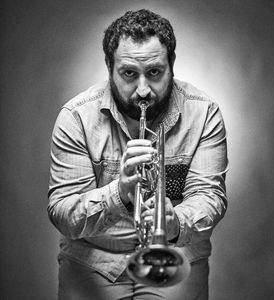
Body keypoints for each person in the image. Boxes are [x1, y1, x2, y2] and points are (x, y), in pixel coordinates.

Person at [48, 9, 228, 300]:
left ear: (172, 65)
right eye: (129, 74)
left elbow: (209, 197)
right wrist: (119, 192)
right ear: (110, 68)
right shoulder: (76, 117)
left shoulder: (204, 112)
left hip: (173, 251)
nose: (143, 90)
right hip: (93, 259)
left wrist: (174, 223)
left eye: (154, 72)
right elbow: (63, 213)